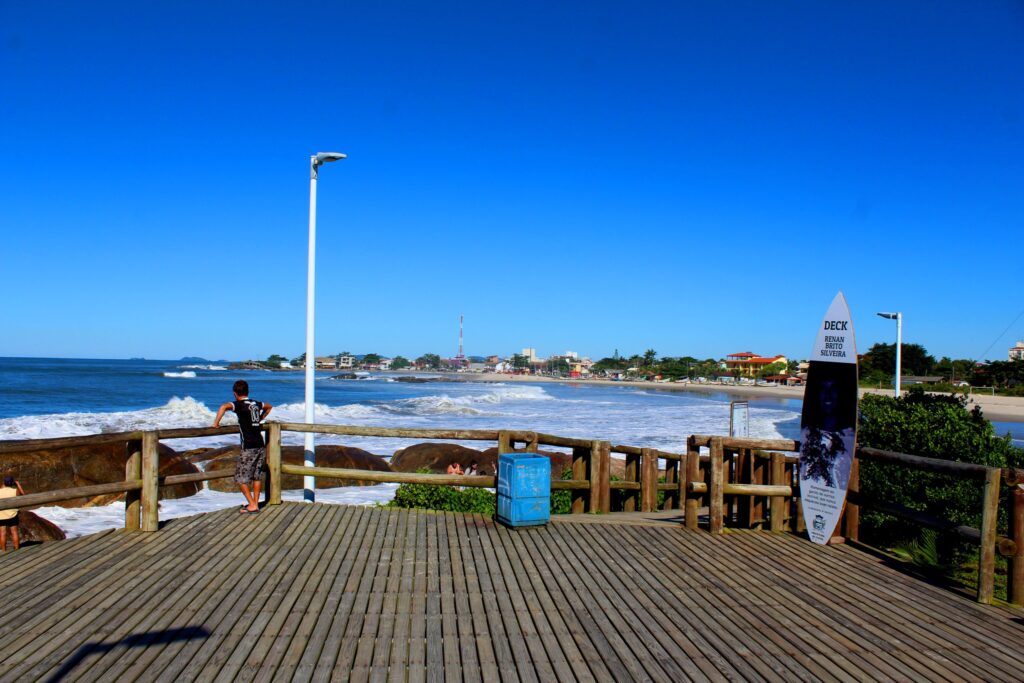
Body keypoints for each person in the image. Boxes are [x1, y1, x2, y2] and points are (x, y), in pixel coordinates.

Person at [213, 380, 272, 514]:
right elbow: (269, 406)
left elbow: (223, 407)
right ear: (247, 392)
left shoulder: (238, 405)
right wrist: (260, 418)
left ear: (235, 393)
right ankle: (255, 503)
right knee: (256, 476)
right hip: (260, 444)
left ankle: (252, 504)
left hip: (249, 445)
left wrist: (216, 423)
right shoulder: (256, 403)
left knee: (240, 478)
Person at [0, 476, 25, 551]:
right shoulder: (14, 491)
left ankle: (3, 550)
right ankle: (17, 549)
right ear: (12, 483)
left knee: (2, 533)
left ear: (4, 483)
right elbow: (23, 495)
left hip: (1, 515)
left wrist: (3, 485)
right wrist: (18, 484)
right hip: (12, 514)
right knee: (14, 532)